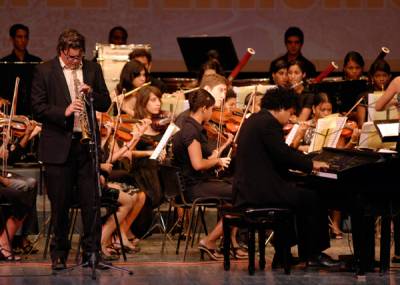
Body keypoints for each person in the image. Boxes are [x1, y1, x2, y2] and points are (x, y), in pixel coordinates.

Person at [233, 87, 341, 267]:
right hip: (259, 190)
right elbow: (282, 154)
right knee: (312, 197)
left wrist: (303, 163)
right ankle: (314, 254)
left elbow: (277, 155)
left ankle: (283, 255)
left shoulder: (256, 120)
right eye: (291, 113)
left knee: (297, 195)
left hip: (250, 187)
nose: (291, 118)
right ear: (281, 107)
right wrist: (311, 164)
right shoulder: (268, 123)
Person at [31, 29, 111, 270]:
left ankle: (92, 253)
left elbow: (106, 101)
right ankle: (59, 255)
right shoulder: (44, 70)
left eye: (79, 57)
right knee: (61, 205)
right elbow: (37, 108)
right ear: (61, 51)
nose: (76, 62)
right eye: (72, 58)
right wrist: (64, 111)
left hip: (86, 146)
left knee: (91, 202)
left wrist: (92, 94)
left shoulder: (91, 69)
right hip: (58, 147)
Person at [172, 89, 246, 260]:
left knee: (236, 187)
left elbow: (206, 157)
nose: (213, 113)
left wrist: (225, 146)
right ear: (204, 108)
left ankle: (230, 242)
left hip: (197, 183)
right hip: (194, 187)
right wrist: (218, 162)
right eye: (212, 109)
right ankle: (209, 241)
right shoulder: (191, 131)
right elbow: (198, 164)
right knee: (243, 193)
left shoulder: (191, 127)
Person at [1, 24, 42, 115]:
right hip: (10, 111)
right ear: (12, 39)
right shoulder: (4, 63)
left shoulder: (37, 62)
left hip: (33, 110)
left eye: (25, 37)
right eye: (19, 37)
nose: (23, 40)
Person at [356, 59, 392, 127]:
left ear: (389, 77)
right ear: (372, 77)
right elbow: (361, 125)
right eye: (377, 76)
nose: (381, 79)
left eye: (384, 75)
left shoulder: (394, 94)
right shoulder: (363, 97)